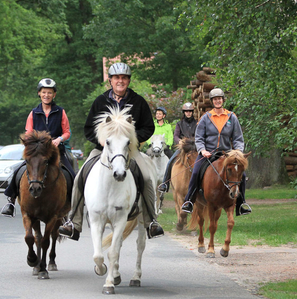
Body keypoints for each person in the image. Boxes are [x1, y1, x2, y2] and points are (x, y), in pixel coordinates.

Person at [58, 62, 164, 240]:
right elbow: (88, 128)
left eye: (124, 78)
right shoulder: (100, 101)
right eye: (117, 78)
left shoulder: (138, 102)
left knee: (146, 177)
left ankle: (151, 222)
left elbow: (149, 127)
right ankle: (73, 223)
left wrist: (132, 138)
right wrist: (99, 139)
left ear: (128, 81)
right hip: (103, 151)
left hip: (129, 151)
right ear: (111, 81)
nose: (120, 81)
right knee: (79, 177)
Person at [1, 78, 75, 216]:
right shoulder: (33, 113)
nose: (46, 95)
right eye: (44, 92)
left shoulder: (60, 112)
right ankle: (10, 201)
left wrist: (59, 139)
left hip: (56, 152)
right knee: (19, 170)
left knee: (72, 173)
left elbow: (67, 132)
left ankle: (74, 203)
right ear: (39, 94)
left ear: (54, 95)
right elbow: (28, 132)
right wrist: (33, 143)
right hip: (38, 153)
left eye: (50, 92)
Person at [180, 88, 252, 216]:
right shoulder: (206, 118)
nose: (217, 101)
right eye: (215, 99)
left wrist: (237, 152)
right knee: (196, 171)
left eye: (219, 99)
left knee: (243, 175)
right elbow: (199, 137)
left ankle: (241, 204)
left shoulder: (231, 117)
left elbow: (238, 139)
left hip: (227, 154)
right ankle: (189, 201)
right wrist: (202, 150)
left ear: (223, 100)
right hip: (209, 153)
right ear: (212, 101)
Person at [158, 102, 197, 193]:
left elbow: (198, 135)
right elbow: (176, 135)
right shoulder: (179, 124)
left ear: (192, 112)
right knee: (171, 161)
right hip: (182, 148)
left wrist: (192, 142)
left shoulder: (197, 123)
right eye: (186, 111)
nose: (188, 113)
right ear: (184, 112)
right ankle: (165, 184)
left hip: (194, 148)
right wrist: (180, 142)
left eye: (190, 111)